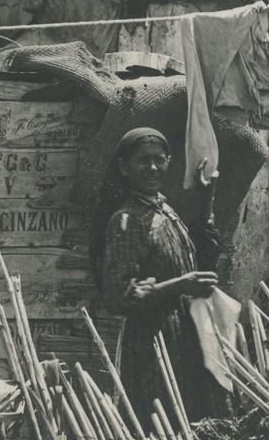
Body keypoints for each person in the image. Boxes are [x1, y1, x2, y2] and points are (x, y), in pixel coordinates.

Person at [92, 127, 222, 424]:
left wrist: (207, 201)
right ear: (124, 167)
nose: (152, 168)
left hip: (183, 335)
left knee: (189, 416)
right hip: (151, 344)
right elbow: (118, 296)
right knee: (160, 422)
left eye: (159, 160)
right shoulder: (126, 220)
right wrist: (181, 285)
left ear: (169, 162)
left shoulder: (165, 211)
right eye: (143, 160)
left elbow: (201, 259)